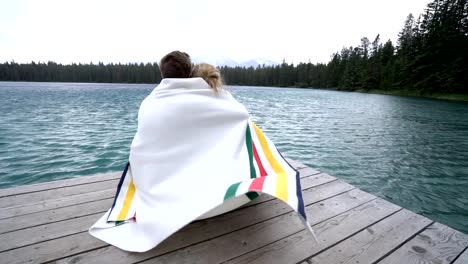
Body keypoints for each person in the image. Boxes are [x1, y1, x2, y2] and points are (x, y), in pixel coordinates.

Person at [88, 51, 315, 252]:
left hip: (163, 198)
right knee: (248, 130)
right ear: (189, 71)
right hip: (224, 201)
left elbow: (141, 150)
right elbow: (242, 117)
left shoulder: (150, 103)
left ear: (162, 74)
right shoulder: (215, 97)